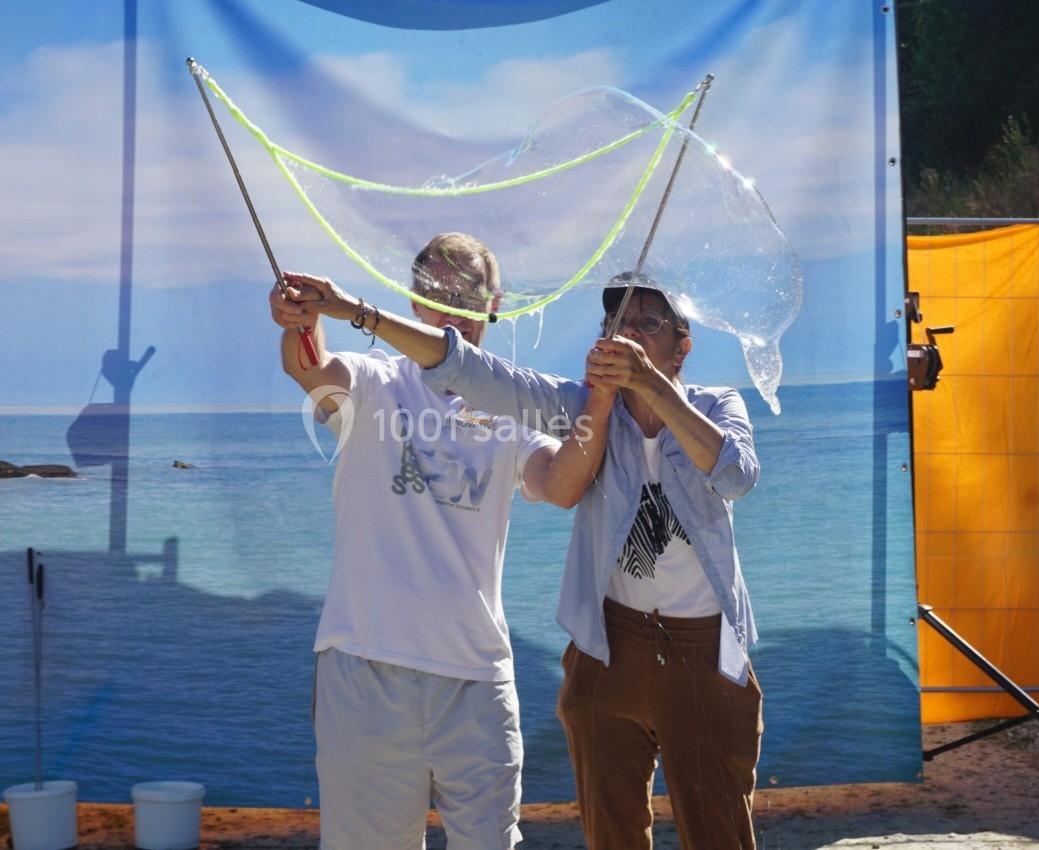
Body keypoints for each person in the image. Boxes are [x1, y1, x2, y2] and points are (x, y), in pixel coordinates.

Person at [289, 269, 763, 850]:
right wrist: (358, 312)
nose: (628, 335)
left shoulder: (717, 403)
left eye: (647, 324)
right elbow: (470, 370)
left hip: (703, 647)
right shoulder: (580, 405)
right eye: (616, 324)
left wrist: (651, 385)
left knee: (719, 831)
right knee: (611, 833)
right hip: (609, 644)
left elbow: (736, 474)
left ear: (681, 347)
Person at [269, 232, 618, 850]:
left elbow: (561, 485)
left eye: (468, 294)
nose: (453, 308)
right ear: (414, 300)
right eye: (437, 293)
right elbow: (310, 367)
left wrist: (605, 399)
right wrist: (301, 317)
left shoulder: (512, 406)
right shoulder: (374, 380)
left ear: (494, 305)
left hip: (476, 678)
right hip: (365, 666)